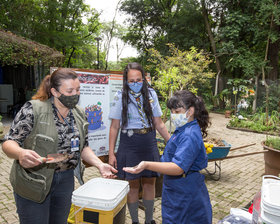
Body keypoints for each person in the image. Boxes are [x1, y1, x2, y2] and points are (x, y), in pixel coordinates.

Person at [2, 68, 117, 224]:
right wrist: (20, 153)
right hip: (34, 180)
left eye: (78, 90)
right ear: (55, 92)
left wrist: (99, 165)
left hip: (65, 180)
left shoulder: (79, 113)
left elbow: (83, 147)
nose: (75, 94)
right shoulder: (34, 109)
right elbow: (9, 142)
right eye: (70, 91)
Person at [123, 90, 212, 224]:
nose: (173, 115)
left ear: (190, 111)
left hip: (185, 191)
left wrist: (146, 164)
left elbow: (178, 167)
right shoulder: (183, 129)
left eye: (177, 112)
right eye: (172, 111)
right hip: (176, 189)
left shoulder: (189, 135)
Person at [109, 62, 170, 224]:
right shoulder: (120, 96)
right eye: (131, 81)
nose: (135, 84)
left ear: (144, 78)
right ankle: (135, 221)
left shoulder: (151, 94)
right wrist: (110, 154)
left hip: (148, 141)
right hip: (129, 143)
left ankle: (149, 220)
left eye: (138, 80)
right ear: (126, 81)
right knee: (133, 185)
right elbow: (114, 127)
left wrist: (172, 143)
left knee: (150, 183)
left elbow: (159, 124)